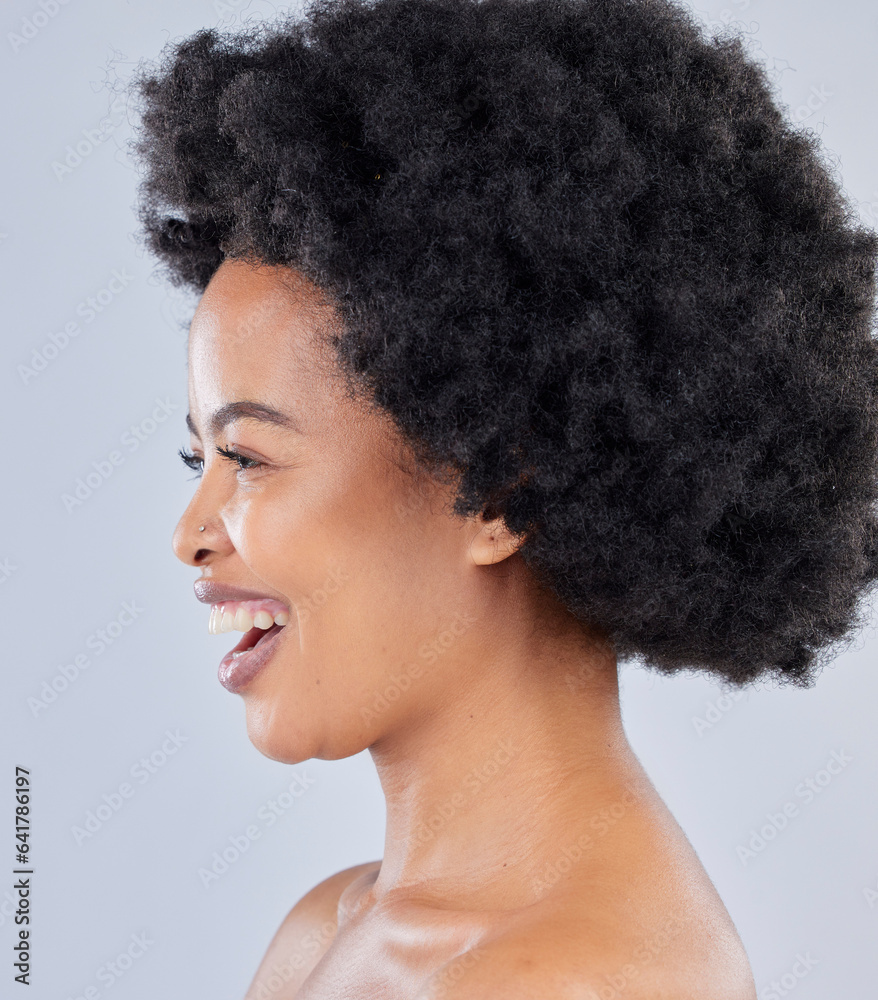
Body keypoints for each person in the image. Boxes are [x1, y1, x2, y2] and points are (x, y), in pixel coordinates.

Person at [129, 0, 878, 996]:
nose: (189, 536)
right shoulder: (331, 927)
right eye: (198, 463)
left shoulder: (573, 979)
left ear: (496, 490)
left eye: (249, 458)